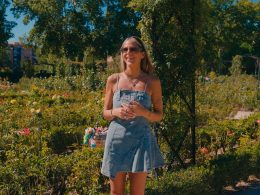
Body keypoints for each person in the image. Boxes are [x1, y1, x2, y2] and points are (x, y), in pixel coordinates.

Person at [101, 36, 164, 195]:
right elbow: (105, 113)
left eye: (133, 49)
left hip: (141, 141)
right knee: (116, 193)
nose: (128, 52)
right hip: (116, 142)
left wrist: (144, 112)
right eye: (125, 49)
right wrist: (116, 112)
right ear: (122, 54)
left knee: (137, 193)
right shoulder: (113, 80)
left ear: (142, 54)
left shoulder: (152, 82)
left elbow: (159, 115)